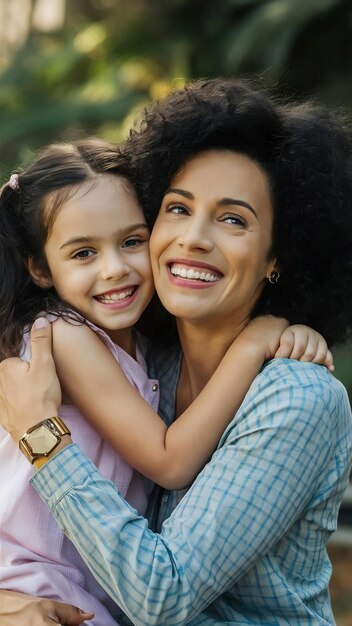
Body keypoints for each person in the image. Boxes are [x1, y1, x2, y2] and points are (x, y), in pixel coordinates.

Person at [0, 78, 351, 625]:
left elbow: (161, 596)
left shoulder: (297, 397)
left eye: (233, 219)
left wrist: (41, 436)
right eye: (178, 208)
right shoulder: (144, 357)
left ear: (277, 256)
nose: (193, 238)